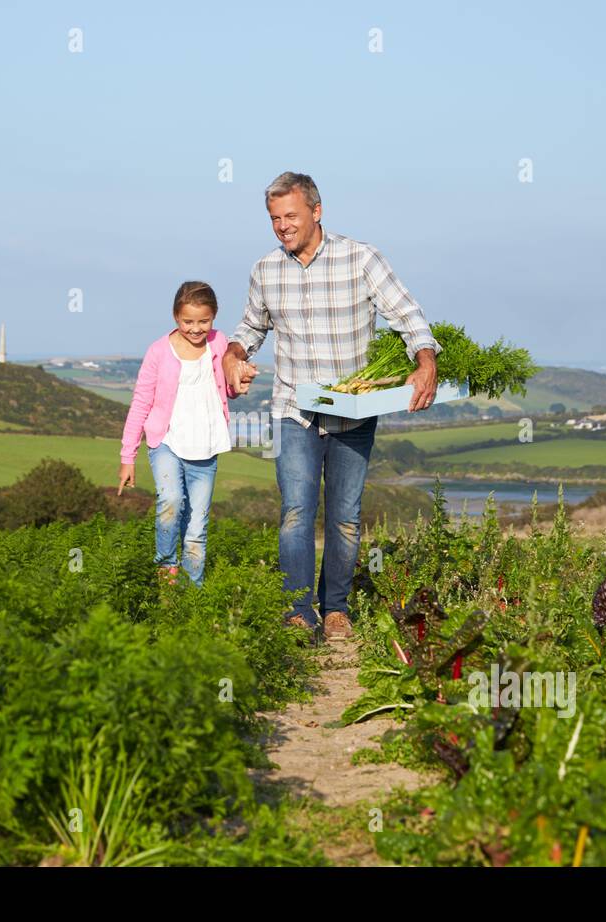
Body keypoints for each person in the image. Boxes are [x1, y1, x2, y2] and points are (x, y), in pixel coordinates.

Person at [223, 172, 439, 642]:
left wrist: (425, 361)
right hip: (292, 410)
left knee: (344, 514)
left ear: (316, 212)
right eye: (275, 219)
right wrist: (233, 354)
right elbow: (250, 328)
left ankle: (336, 607)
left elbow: (408, 315)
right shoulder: (266, 270)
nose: (282, 226)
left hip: (352, 412)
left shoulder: (361, 258)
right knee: (296, 510)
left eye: (291, 216)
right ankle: (297, 611)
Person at [119, 281, 235, 588]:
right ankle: (166, 568)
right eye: (188, 321)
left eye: (203, 321)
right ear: (175, 317)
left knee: (196, 525)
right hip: (166, 441)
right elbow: (141, 402)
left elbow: (229, 389)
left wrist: (241, 381)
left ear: (214, 318)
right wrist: (127, 456)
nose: (196, 329)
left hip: (206, 446)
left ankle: (192, 591)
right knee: (171, 500)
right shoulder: (159, 351)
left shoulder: (220, 343)